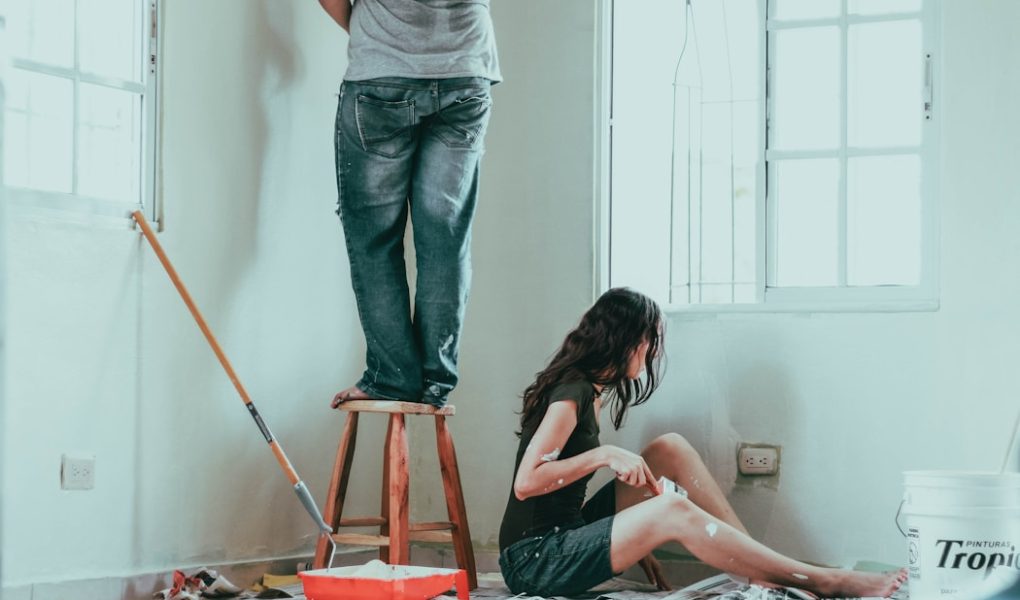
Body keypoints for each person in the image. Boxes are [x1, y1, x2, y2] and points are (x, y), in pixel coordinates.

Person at [498, 288, 907, 598]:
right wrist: (604, 454)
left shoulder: (592, 390)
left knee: (668, 448)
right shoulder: (573, 393)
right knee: (670, 507)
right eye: (651, 341)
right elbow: (527, 483)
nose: (653, 353)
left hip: (566, 534)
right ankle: (828, 580)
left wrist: (629, 538)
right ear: (629, 340)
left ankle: (754, 564)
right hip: (534, 559)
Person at [318, 0, 500, 407]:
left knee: (375, 242)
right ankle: (435, 381)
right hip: (466, 72)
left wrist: (376, 34)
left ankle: (392, 377)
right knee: (445, 239)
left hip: (382, 73)